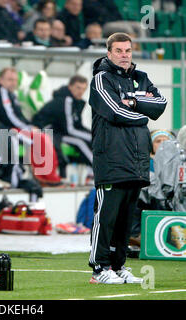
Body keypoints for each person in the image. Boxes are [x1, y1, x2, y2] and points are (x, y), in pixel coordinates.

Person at [88, 32, 167, 284]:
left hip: (137, 161)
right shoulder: (101, 79)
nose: (124, 55)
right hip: (111, 159)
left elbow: (161, 104)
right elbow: (115, 112)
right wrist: (141, 107)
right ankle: (99, 269)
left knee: (125, 220)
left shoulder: (140, 77)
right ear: (109, 52)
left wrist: (132, 100)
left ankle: (118, 265)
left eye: (128, 51)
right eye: (119, 51)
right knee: (106, 218)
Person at [0, 67, 62, 186]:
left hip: (12, 127)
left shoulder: (11, 94)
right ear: (1, 80)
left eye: (15, 80)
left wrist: (29, 126)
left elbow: (18, 116)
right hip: (5, 129)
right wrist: (28, 128)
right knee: (39, 138)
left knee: (43, 136)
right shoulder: (2, 92)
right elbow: (9, 117)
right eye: (10, 79)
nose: (13, 83)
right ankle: (43, 176)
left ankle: (48, 175)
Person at [32, 75, 93, 182]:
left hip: (60, 131)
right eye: (78, 88)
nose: (81, 91)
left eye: (84, 89)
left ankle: (91, 173)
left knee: (88, 141)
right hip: (49, 132)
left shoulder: (76, 102)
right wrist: (93, 138)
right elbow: (70, 129)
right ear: (70, 87)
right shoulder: (67, 100)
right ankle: (98, 170)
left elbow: (77, 126)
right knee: (80, 142)